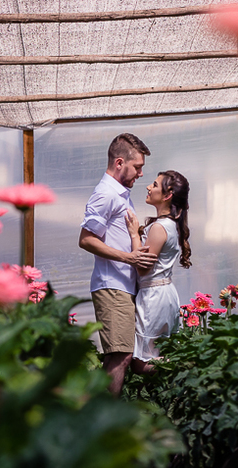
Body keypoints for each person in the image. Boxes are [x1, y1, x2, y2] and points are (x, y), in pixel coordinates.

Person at [78, 133, 158, 396]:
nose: (141, 174)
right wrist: (129, 258)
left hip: (124, 286)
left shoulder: (122, 195)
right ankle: (100, 422)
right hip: (111, 286)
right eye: (138, 167)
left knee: (128, 358)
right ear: (120, 162)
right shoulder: (105, 195)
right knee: (120, 356)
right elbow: (86, 240)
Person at [125, 171, 192, 375]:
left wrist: (134, 235)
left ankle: (186, 372)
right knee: (158, 352)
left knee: (140, 362)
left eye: (154, 185)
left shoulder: (159, 227)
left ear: (167, 195)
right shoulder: (171, 225)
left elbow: (143, 266)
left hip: (154, 296)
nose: (148, 187)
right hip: (164, 292)